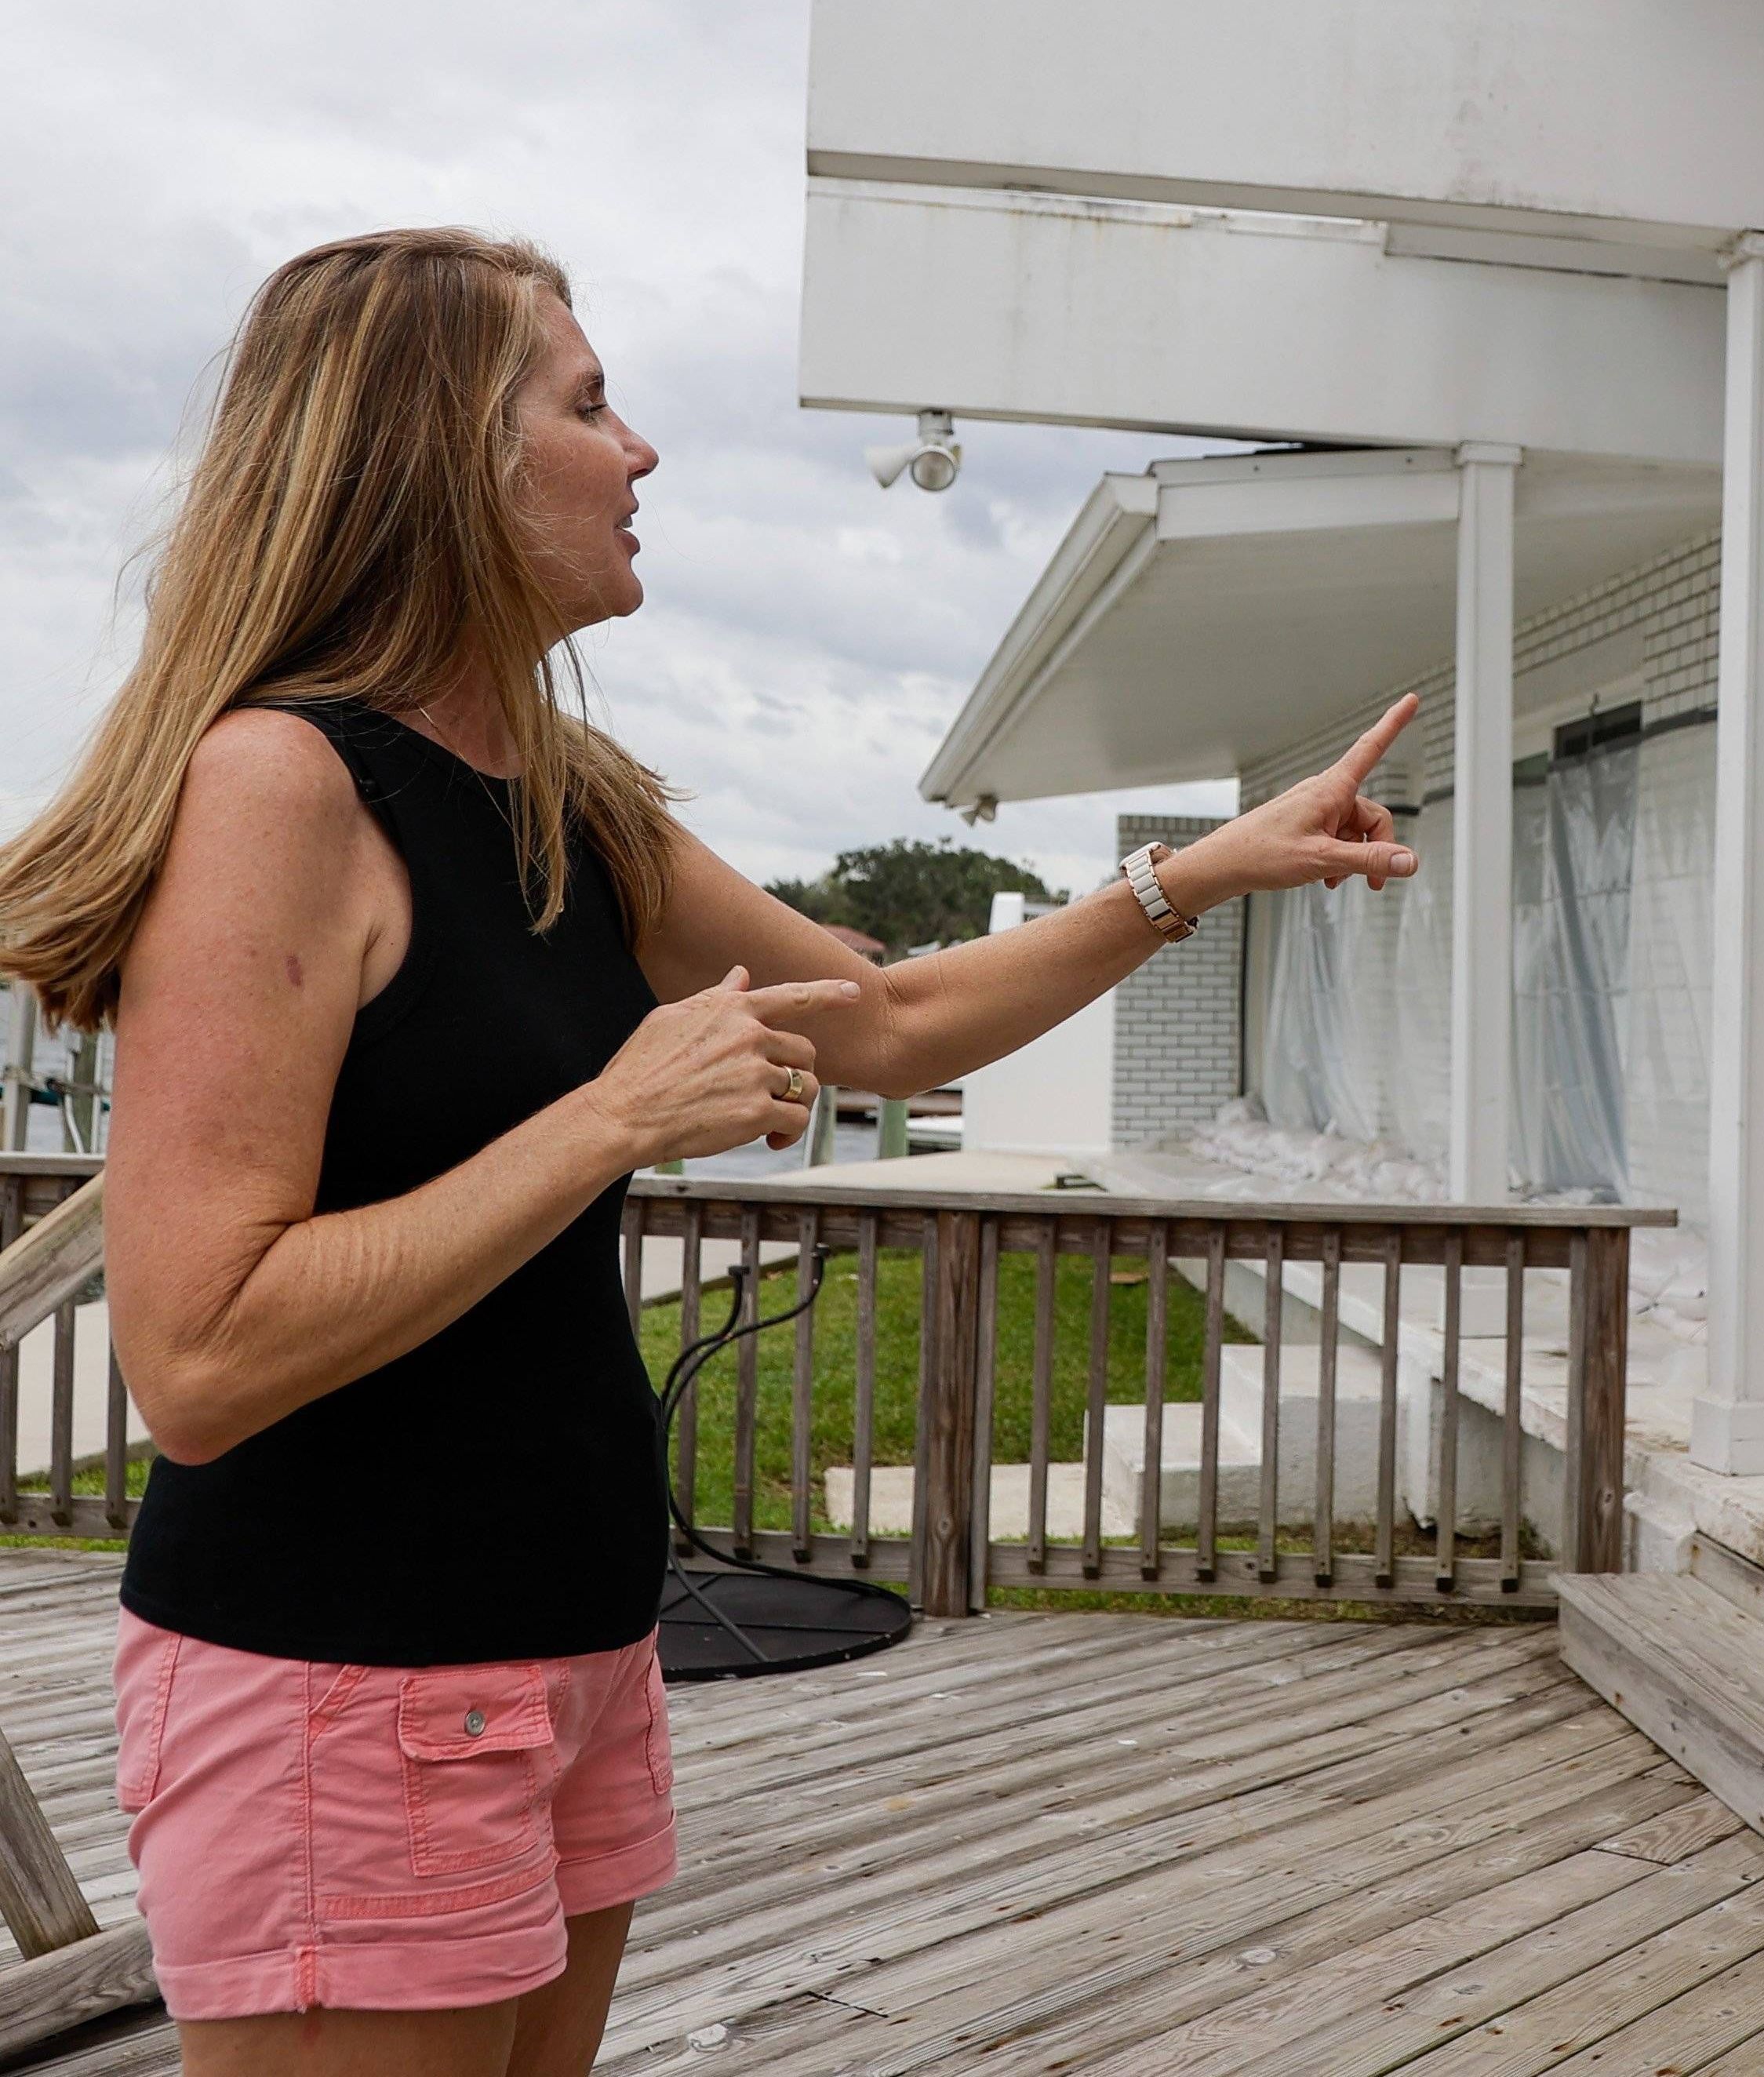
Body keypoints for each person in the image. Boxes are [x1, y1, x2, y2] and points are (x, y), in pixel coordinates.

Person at [0, 228, 1418, 2077]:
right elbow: (197, 1356)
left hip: (570, 1662)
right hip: (345, 1683)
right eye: (590, 406)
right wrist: (611, 1118)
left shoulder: (567, 802)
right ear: (444, 456)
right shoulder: (281, 786)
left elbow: (889, 1021)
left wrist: (1196, 876)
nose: (643, 451)